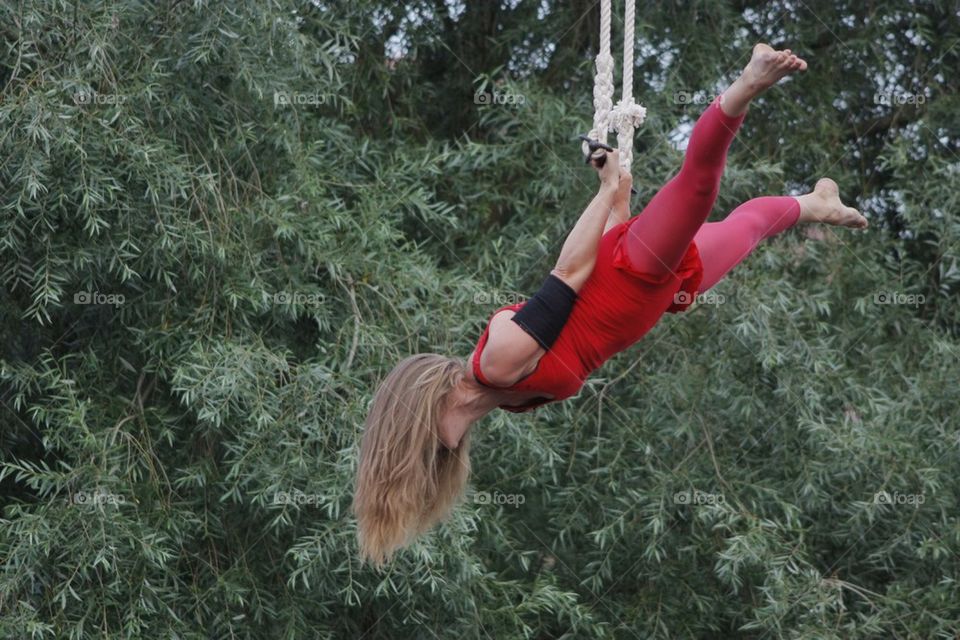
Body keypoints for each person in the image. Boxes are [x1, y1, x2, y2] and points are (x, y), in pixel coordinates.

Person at [353, 44, 868, 566]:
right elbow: (586, 324)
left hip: (634, 271)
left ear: (414, 423)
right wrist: (620, 202)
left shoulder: (497, 362)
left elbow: (570, 273)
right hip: (647, 293)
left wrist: (605, 191)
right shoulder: (508, 400)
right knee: (748, 226)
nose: (440, 461)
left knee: (697, 189)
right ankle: (814, 203)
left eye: (425, 458)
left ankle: (750, 82)